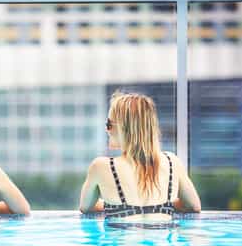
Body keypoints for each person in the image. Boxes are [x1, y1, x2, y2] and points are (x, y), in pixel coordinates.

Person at [79, 91, 201, 222]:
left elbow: (85, 207)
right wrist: (162, 206)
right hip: (163, 239)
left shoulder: (100, 166)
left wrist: (113, 206)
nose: (106, 130)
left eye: (109, 124)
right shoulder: (172, 162)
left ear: (125, 128)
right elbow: (193, 206)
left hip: (119, 240)